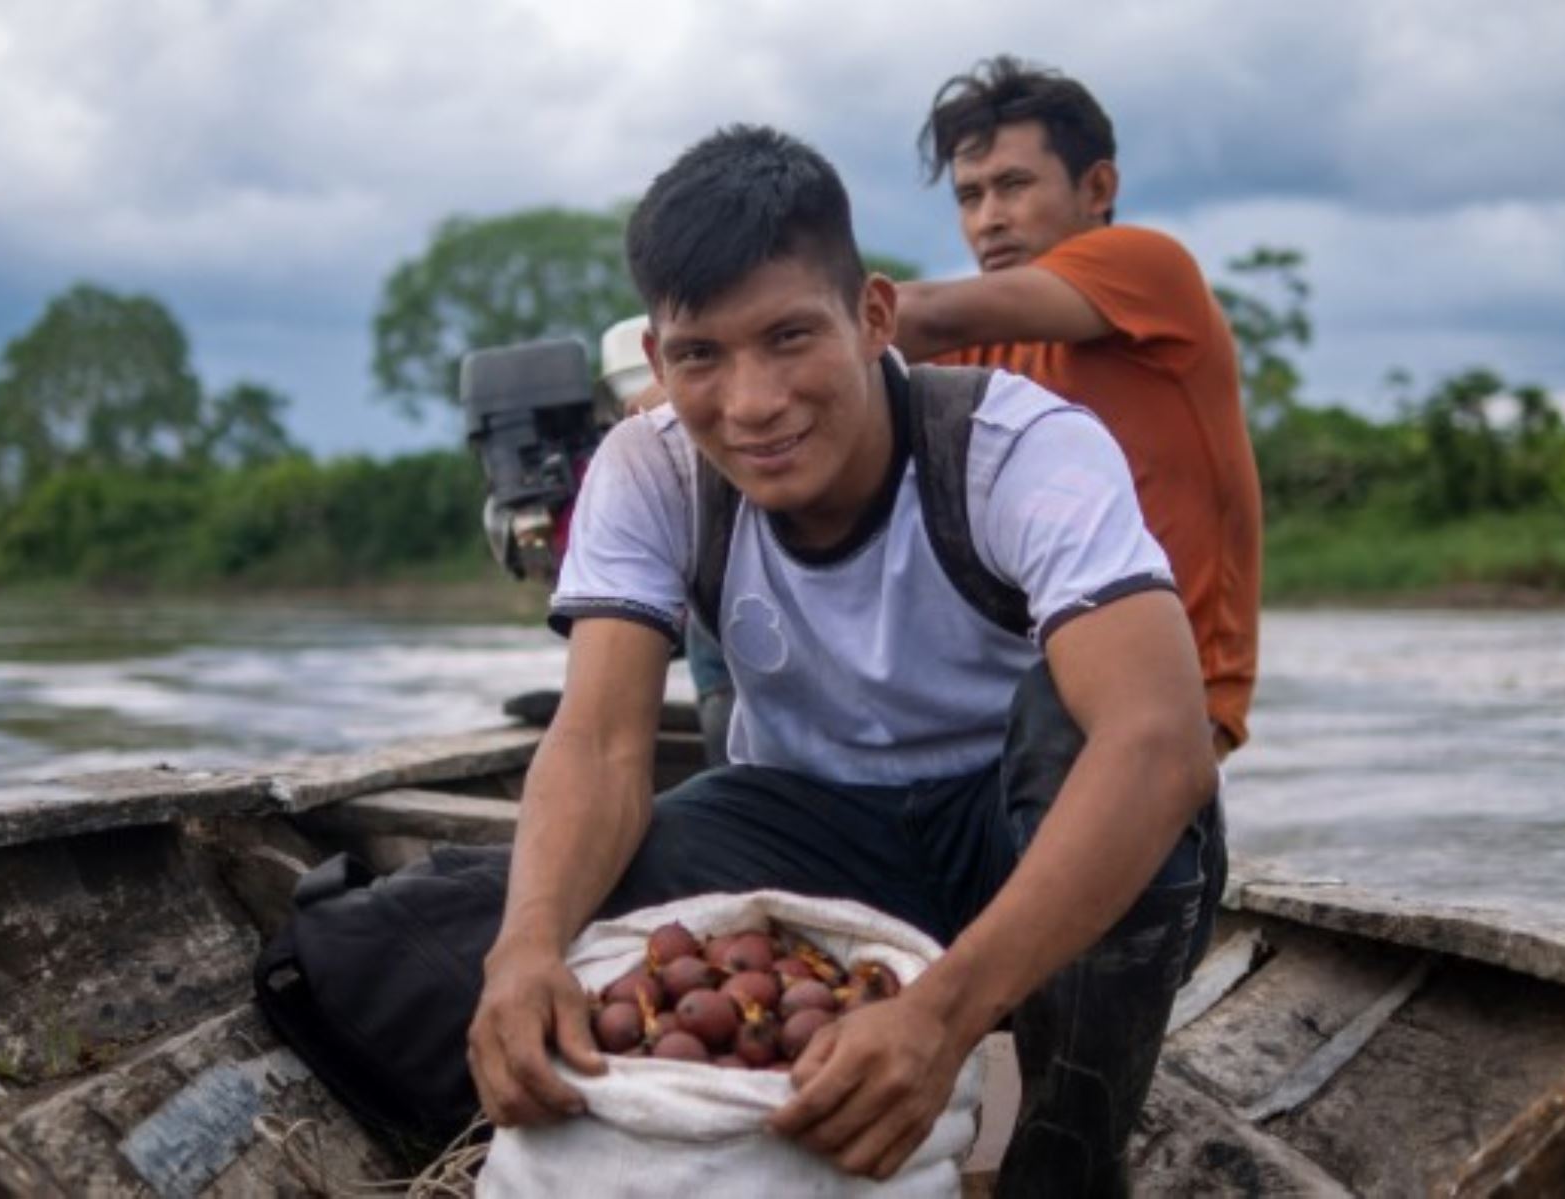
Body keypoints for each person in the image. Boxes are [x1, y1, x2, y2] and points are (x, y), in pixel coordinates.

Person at [466, 125, 1223, 1195]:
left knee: (1082, 725)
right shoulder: (650, 465)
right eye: (699, 356)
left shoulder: (1017, 447)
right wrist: (526, 944)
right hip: (817, 831)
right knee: (466, 927)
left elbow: (1160, 746)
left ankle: (1069, 1154)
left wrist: (943, 1014)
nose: (753, 402)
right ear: (657, 361)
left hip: (1014, 834)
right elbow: (596, 742)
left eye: (788, 337)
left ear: (873, 316)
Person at [895, 56, 1263, 759]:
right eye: (969, 197)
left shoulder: (1150, 269)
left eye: (1013, 186)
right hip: (1021, 693)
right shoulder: (985, 353)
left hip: (1164, 708)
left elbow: (923, 316)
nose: (988, 220)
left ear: (1097, 187)